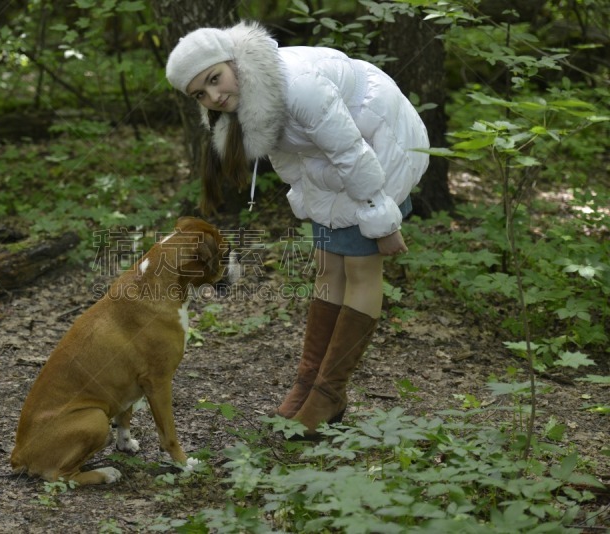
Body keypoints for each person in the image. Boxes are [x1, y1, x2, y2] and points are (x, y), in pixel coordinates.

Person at [165, 21, 429, 436]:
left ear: (232, 62)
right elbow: (289, 157)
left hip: (378, 147)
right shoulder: (244, 102)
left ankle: (329, 392)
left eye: (215, 79)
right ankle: (308, 384)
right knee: (329, 267)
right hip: (329, 165)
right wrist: (311, 206)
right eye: (201, 93)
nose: (214, 96)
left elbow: (351, 151)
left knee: (360, 269)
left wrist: (382, 217)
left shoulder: (298, 86)